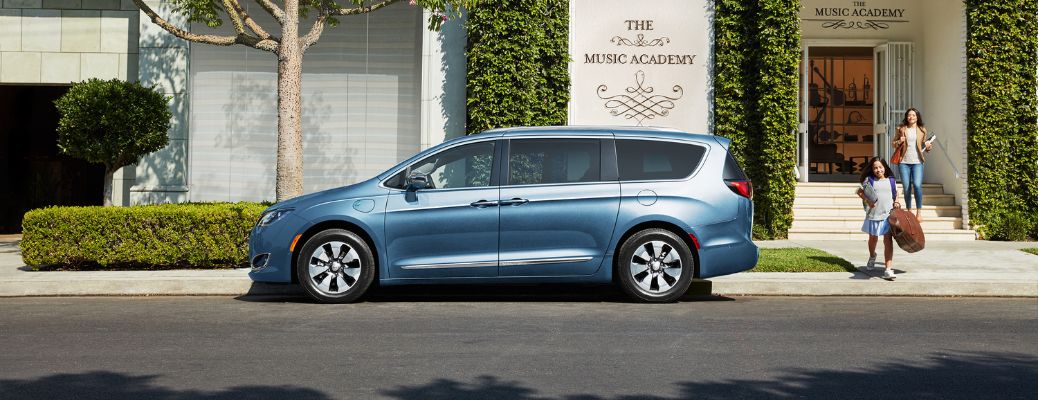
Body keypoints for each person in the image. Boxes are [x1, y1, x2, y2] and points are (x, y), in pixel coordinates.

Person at [856, 157, 901, 280]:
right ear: (872, 169)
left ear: (885, 168)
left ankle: (888, 269)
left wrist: (896, 201)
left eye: (880, 167)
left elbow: (897, 193)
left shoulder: (891, 181)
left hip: (888, 216)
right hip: (874, 215)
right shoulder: (869, 180)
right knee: (873, 239)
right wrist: (867, 201)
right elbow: (859, 191)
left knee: (888, 241)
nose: (878, 170)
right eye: (875, 167)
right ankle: (872, 256)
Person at [891, 108, 933, 221]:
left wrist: (928, 147)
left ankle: (919, 212)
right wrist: (900, 141)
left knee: (917, 185)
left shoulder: (922, 130)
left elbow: (925, 146)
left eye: (913, 115)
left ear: (917, 117)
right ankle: (909, 211)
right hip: (904, 162)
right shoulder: (901, 129)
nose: (911, 117)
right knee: (907, 187)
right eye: (909, 115)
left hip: (917, 162)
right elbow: (893, 143)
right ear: (906, 117)